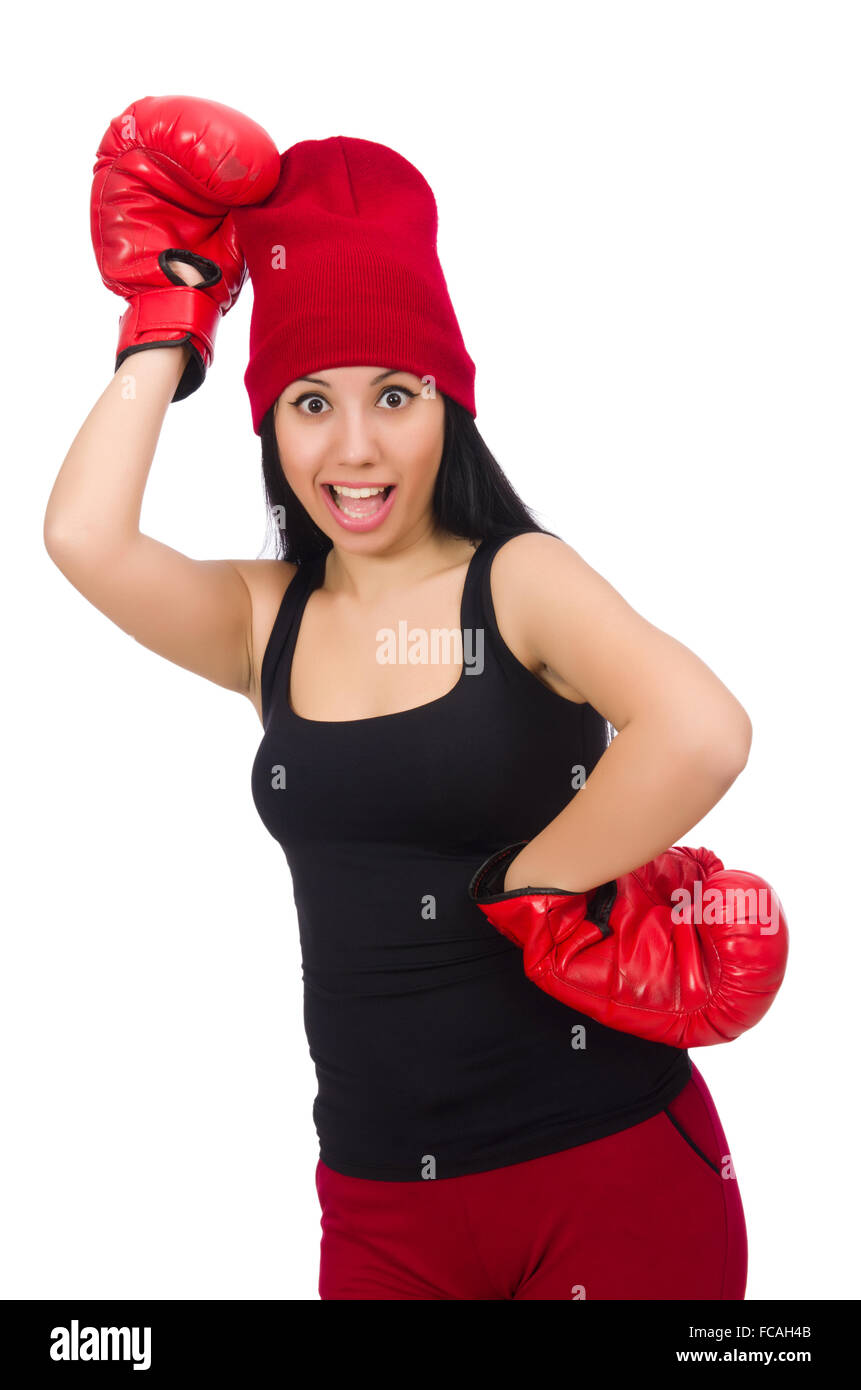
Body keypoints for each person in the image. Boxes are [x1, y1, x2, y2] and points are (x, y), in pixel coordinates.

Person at [45, 109, 751, 1300]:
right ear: (269, 420)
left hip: (607, 1169)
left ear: (448, 405)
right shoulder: (265, 619)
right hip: (379, 1203)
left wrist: (526, 882)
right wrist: (169, 318)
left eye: (394, 395)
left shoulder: (519, 580)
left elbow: (705, 731)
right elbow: (82, 535)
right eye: (310, 401)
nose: (355, 448)